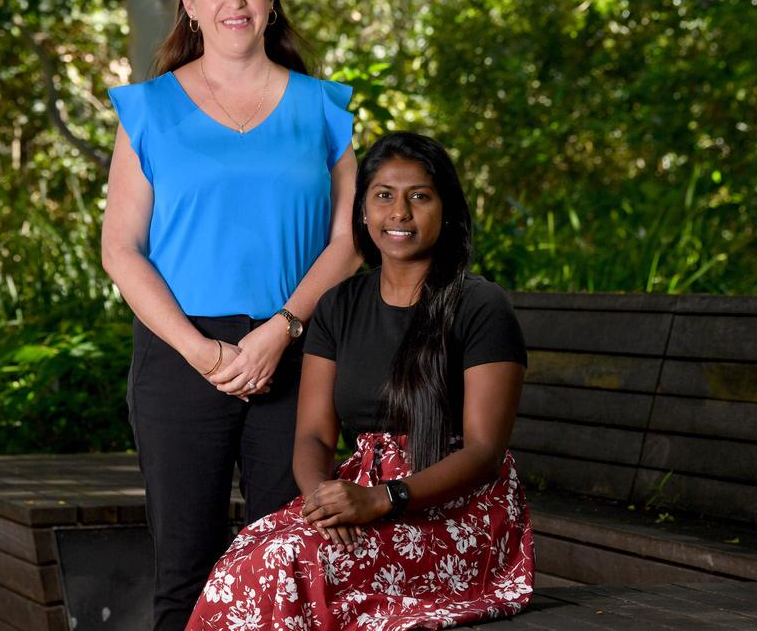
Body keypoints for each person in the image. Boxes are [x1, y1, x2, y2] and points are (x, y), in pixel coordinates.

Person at [101, 0, 361, 631]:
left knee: (284, 570)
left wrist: (282, 329)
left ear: (271, 0)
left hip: (297, 349)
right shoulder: (149, 110)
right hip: (182, 356)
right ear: (189, 3)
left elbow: (348, 240)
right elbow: (121, 249)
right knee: (186, 574)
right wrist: (202, 352)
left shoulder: (322, 109)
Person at [187, 131, 535, 630]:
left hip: (458, 512)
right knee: (247, 555)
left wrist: (384, 498)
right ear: (363, 212)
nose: (400, 213)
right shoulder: (338, 306)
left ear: (447, 209)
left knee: (289, 564)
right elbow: (313, 435)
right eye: (383, 196)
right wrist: (322, 501)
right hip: (358, 495)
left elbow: (483, 453)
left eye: (420, 196)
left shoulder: (480, 307)